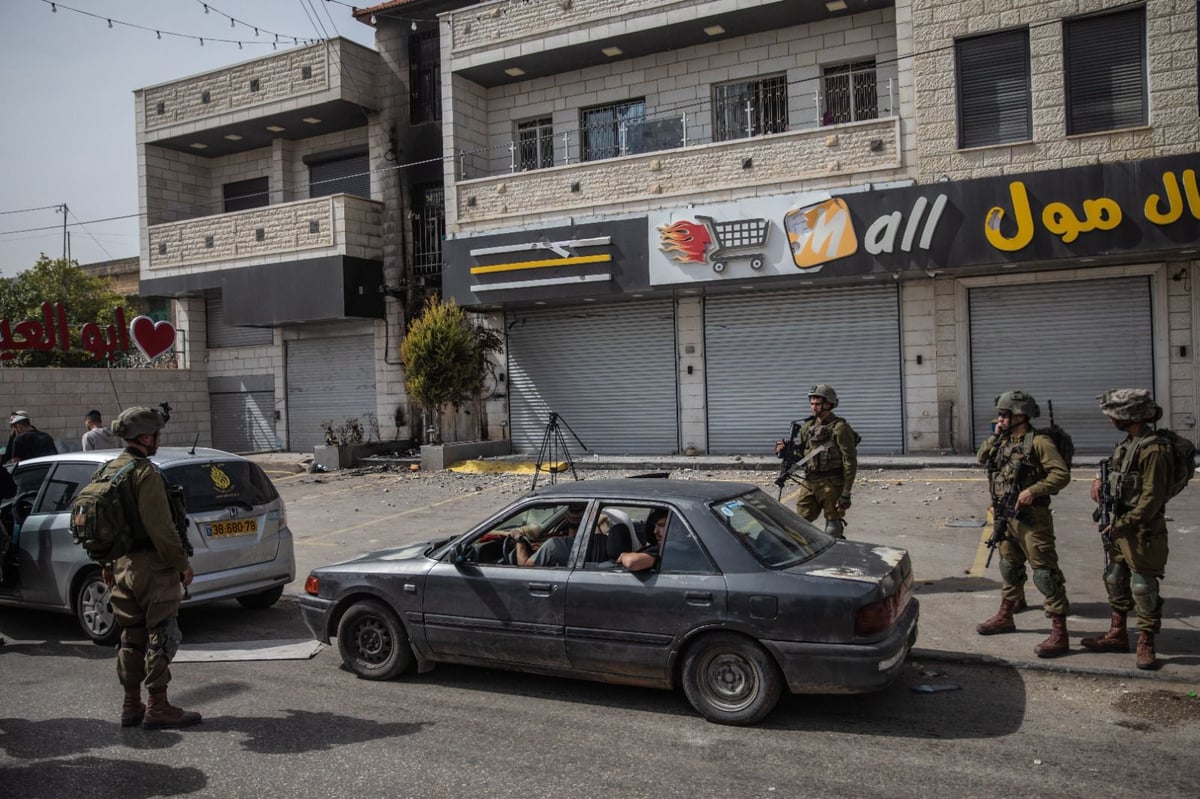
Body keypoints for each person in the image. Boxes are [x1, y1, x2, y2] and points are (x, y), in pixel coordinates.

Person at [102, 406, 201, 730]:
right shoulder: (146, 473)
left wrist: (106, 564)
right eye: (157, 434)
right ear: (145, 437)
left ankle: (131, 704)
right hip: (152, 568)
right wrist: (181, 565)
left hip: (121, 566)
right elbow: (162, 529)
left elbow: (103, 524)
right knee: (161, 634)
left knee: (132, 637)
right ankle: (157, 705)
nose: (159, 439)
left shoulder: (110, 469)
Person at [975, 390, 1072, 658]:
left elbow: (1060, 475)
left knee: (1044, 573)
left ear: (1020, 416)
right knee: (1009, 567)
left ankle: (1059, 632)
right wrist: (996, 434)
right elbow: (981, 457)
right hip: (1006, 515)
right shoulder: (1003, 441)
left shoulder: (1039, 442)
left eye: (1004, 415)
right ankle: (1006, 616)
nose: (1000, 419)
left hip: (1032, 518)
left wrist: (1034, 490)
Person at [1081, 389, 1171, 670]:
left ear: (1128, 415)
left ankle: (1146, 642)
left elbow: (1152, 499)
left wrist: (1122, 525)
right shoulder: (1128, 444)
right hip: (1119, 527)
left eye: (1114, 415)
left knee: (1143, 587)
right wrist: (1098, 480)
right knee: (1114, 577)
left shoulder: (1153, 449)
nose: (1110, 420)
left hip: (1141, 530)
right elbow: (1115, 471)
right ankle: (1117, 633)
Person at [774, 384, 858, 539]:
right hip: (810, 481)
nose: (813, 407)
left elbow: (850, 461)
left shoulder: (840, 428)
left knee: (833, 527)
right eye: (811, 403)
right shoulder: (808, 426)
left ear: (829, 404)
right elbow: (803, 455)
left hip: (831, 483)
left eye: (817, 404)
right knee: (799, 523)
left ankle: (837, 554)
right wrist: (786, 451)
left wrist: (846, 492)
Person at [509, 504, 586, 567]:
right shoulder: (595, 542)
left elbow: (525, 566)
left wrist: (519, 539)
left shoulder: (555, 546)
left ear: (566, 519)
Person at [617, 508, 669, 572]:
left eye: (661, 525)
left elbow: (631, 562)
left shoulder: (667, 549)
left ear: (678, 529)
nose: (655, 531)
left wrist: (623, 556)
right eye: (654, 526)